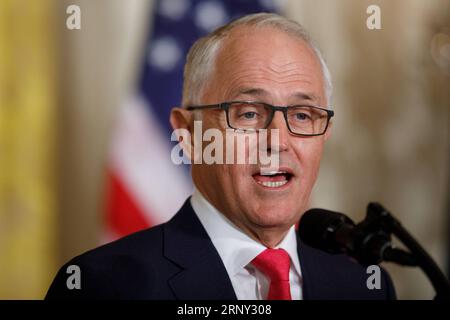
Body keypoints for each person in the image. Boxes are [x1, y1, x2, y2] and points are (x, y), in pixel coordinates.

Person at [46, 13, 396, 300]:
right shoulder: (105, 286)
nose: (278, 140)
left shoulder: (364, 286)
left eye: (303, 115)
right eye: (247, 113)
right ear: (188, 134)